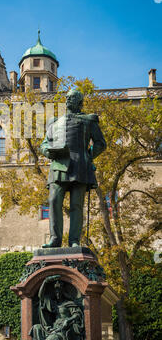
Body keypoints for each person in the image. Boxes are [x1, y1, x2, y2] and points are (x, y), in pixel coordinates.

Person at [40, 89, 106, 248]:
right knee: (54, 201)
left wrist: (89, 156)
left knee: (76, 205)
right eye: (68, 97)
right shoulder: (55, 122)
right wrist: (48, 151)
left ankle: (74, 240)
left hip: (80, 166)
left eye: (73, 97)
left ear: (79, 102)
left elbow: (100, 143)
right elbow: (44, 143)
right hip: (58, 166)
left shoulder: (88, 121)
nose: (68, 99)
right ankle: (55, 239)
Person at [29, 275, 85, 340]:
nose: (57, 293)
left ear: (63, 292)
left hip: (64, 328)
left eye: (59, 291)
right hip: (54, 327)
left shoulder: (68, 303)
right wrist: (45, 282)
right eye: (56, 292)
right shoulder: (54, 304)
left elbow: (77, 314)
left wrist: (68, 320)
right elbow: (41, 297)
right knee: (36, 328)